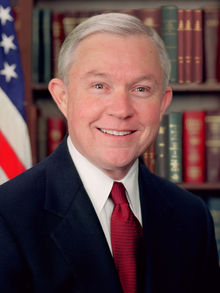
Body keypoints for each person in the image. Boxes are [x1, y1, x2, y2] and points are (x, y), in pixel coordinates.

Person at [0, 12, 219, 292]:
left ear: (163, 103)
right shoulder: (7, 217)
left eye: (141, 89)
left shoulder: (192, 217)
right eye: (100, 86)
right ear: (62, 97)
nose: (121, 110)